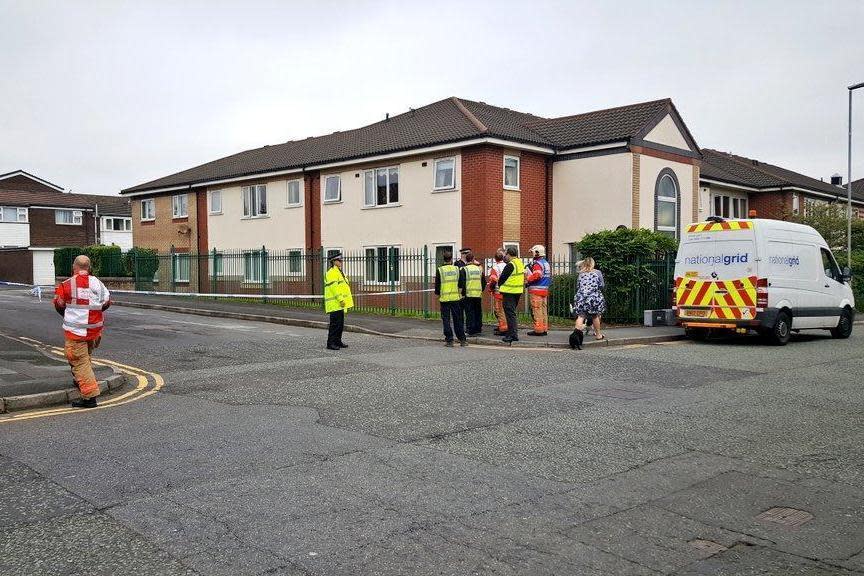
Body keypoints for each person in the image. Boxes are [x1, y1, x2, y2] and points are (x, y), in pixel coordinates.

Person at [53, 255, 111, 409]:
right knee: (85, 359)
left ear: (74, 267)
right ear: (89, 267)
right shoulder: (98, 283)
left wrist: (69, 315)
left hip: (76, 332)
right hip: (94, 331)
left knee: (79, 362)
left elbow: (59, 304)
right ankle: (79, 379)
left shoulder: (66, 284)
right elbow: (106, 302)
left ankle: (90, 397)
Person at [570, 256, 606, 349]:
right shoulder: (597, 272)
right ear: (593, 264)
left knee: (581, 316)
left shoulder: (581, 274)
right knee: (595, 315)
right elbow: (601, 285)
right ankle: (598, 335)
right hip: (593, 297)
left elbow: (578, 286)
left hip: (581, 297)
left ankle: (576, 334)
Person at [435, 250, 467, 347]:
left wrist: (438, 294)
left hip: (444, 299)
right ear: (451, 259)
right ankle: (462, 340)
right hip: (455, 298)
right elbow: (461, 283)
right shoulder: (457, 269)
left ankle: (449, 340)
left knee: (446, 320)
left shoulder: (440, 270)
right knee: (458, 319)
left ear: (443, 259)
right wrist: (460, 293)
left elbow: (437, 285)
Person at [324, 253, 354, 350]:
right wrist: (341, 299)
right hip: (335, 303)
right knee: (335, 324)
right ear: (333, 261)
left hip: (339, 303)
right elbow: (334, 288)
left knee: (340, 324)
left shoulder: (339, 272)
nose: (341, 262)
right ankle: (330, 343)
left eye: (341, 260)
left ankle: (337, 341)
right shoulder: (331, 273)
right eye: (339, 260)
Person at [496, 246, 525, 343]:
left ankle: (512, 335)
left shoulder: (510, 265)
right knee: (512, 313)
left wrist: (500, 285)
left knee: (510, 314)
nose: (505, 257)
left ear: (509, 254)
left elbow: (502, 278)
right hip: (517, 291)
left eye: (506, 255)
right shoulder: (519, 263)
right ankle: (513, 333)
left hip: (509, 292)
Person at [524, 244, 552, 336]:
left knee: (537, 310)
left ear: (537, 253)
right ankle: (544, 329)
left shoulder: (537, 264)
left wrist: (528, 279)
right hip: (544, 290)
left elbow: (537, 275)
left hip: (536, 290)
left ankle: (538, 330)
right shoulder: (546, 263)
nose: (532, 254)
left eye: (532, 252)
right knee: (543, 310)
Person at [460, 248, 485, 336]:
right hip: (478, 294)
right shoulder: (479, 269)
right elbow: (483, 282)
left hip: (468, 294)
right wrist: (481, 290)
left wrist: (462, 293)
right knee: (478, 311)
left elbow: (461, 283)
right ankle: (478, 328)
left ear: (466, 260)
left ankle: (470, 329)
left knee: (469, 312)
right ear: (473, 259)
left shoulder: (464, 269)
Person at [486, 249, 508, 335]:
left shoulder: (495, 268)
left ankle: (503, 328)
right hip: (507, 291)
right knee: (505, 310)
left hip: (498, 292)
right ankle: (505, 326)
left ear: (495, 259)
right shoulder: (507, 265)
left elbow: (493, 281)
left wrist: (491, 289)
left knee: (499, 311)